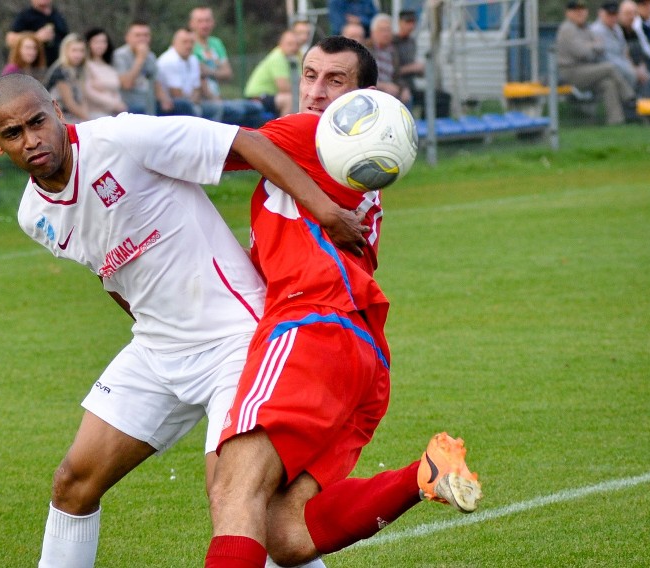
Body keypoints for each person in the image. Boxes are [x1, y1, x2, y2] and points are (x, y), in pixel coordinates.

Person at [0, 72, 365, 568]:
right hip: (157, 350)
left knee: (237, 500)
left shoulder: (124, 138)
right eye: (14, 134)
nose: (32, 140)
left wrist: (326, 210)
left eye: (37, 121)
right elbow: (110, 271)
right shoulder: (34, 215)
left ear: (57, 110)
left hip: (235, 340)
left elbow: (244, 143)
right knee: (73, 484)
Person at [204, 36, 482, 568]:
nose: (315, 92)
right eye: (309, 75)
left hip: (309, 327)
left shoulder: (320, 134)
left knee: (234, 492)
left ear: (366, 98)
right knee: (285, 532)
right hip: (359, 355)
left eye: (335, 81)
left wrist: (94, 144)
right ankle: (424, 473)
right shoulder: (363, 163)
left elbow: (204, 146)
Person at [556, 0, 635, 125]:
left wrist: (590, 46)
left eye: (582, 9)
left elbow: (600, 47)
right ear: (568, 13)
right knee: (609, 67)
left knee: (608, 83)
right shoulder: (567, 29)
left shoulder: (585, 27)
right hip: (571, 72)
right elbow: (582, 52)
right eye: (576, 10)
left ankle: (616, 121)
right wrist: (593, 46)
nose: (580, 13)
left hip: (586, 70)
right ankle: (629, 97)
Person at [189, 5, 266, 127]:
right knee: (239, 111)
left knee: (256, 109)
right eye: (200, 21)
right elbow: (197, 75)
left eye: (207, 20)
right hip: (204, 100)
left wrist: (207, 71)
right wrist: (215, 72)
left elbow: (228, 73)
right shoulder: (188, 44)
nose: (204, 25)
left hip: (220, 98)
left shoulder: (216, 43)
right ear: (191, 23)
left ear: (213, 22)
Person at [393, 9, 452, 118]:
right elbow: (393, 71)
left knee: (444, 98)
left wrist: (421, 70)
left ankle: (436, 129)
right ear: (399, 22)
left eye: (413, 22)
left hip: (411, 86)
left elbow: (413, 69)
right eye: (407, 22)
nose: (411, 26)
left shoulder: (411, 42)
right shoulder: (393, 42)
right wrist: (412, 68)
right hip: (399, 86)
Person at [112, 20, 171, 115]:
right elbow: (126, 84)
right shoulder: (119, 56)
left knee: (181, 106)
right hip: (129, 108)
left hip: (149, 106)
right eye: (138, 35)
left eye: (146, 35)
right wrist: (140, 58)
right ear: (128, 37)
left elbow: (155, 81)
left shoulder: (151, 56)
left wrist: (165, 100)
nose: (142, 39)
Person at [156, 27, 216, 119]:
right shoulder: (169, 60)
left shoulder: (193, 59)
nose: (189, 46)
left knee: (217, 108)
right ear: (174, 43)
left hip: (191, 103)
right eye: (184, 42)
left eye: (191, 42)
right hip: (171, 107)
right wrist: (193, 103)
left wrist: (193, 101)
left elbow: (197, 89)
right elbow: (176, 95)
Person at [244, 30, 301, 117]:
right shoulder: (277, 58)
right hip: (257, 96)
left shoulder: (294, 57)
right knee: (290, 100)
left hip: (270, 95)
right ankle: (285, 129)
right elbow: (284, 87)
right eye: (290, 44)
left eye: (296, 44)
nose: (294, 47)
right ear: (281, 44)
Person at [591, 1, 646, 89]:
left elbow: (624, 51)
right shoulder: (596, 30)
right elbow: (605, 57)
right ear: (601, 13)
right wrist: (630, 69)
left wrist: (634, 67)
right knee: (630, 75)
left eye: (615, 14)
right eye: (609, 14)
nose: (612, 18)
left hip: (621, 66)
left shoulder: (616, 28)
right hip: (607, 69)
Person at [82, 28, 127, 119]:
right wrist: (113, 104)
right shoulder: (86, 65)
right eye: (96, 42)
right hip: (94, 115)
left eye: (103, 42)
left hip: (113, 114)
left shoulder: (109, 66)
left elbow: (115, 89)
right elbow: (88, 91)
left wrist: (119, 104)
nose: (100, 45)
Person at [6, 0, 69, 66]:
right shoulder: (25, 16)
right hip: (33, 68)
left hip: (56, 66)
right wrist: (36, 37)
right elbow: (9, 40)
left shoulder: (58, 16)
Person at [43, 33, 89, 124]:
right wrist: (88, 119)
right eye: (74, 50)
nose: (78, 54)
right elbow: (70, 104)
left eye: (81, 51)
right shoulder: (60, 71)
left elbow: (82, 98)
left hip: (73, 116)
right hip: (56, 115)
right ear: (65, 51)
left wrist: (87, 115)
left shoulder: (79, 69)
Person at [368, 14, 412, 106]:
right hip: (372, 92)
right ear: (373, 33)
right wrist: (383, 86)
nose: (386, 33)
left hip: (392, 92)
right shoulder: (365, 50)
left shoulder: (393, 51)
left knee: (408, 97)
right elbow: (362, 79)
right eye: (382, 30)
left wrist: (404, 88)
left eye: (388, 30)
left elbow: (397, 76)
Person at [620, 0, 650, 97]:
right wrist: (634, 67)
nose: (632, 16)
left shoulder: (633, 31)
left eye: (634, 13)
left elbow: (640, 51)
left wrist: (641, 65)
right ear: (620, 14)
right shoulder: (618, 31)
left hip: (640, 65)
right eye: (628, 13)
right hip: (624, 68)